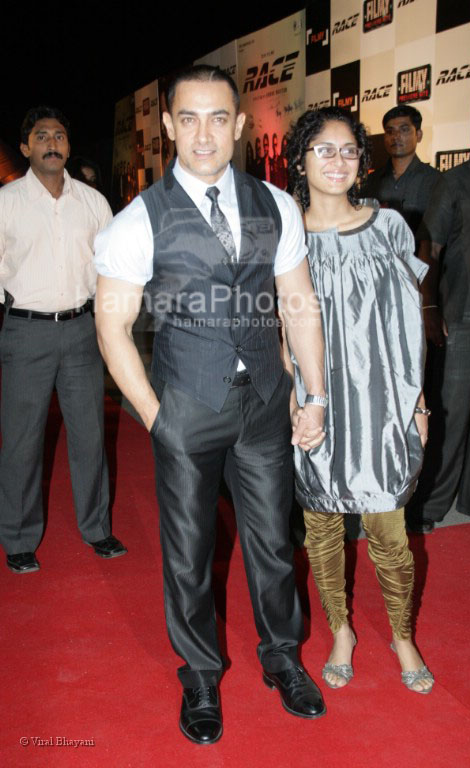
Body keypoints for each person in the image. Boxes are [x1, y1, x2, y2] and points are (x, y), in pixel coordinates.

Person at [93, 65, 328, 746]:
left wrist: (312, 393)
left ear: (240, 124)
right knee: (190, 553)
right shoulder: (139, 219)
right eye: (188, 119)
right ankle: (199, 673)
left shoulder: (275, 205)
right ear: (168, 127)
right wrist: (155, 416)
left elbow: (299, 305)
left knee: (274, 546)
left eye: (218, 117)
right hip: (186, 407)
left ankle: (282, 657)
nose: (204, 133)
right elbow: (112, 327)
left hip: (264, 404)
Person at [284, 106, 434, 695]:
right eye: (324, 149)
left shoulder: (390, 226)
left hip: (381, 402)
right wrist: (297, 399)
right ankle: (340, 630)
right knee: (321, 524)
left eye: (348, 150)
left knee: (388, 527)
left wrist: (418, 405)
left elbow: (409, 325)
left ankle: (402, 635)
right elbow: (278, 325)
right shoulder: (286, 236)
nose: (338, 161)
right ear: (301, 159)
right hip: (316, 399)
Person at [0, 106, 127, 574]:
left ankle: (96, 528)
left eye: (59, 135)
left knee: (90, 435)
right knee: (21, 441)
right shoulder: (6, 202)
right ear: (26, 146)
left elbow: (111, 269)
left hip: (80, 331)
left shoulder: (92, 203)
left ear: (69, 146)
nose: (52, 143)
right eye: (41, 136)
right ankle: (17, 537)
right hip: (25, 332)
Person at [407, 94, 470, 534]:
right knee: (448, 415)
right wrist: (429, 306)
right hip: (462, 317)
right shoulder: (458, 183)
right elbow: (428, 249)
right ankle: (429, 506)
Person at [362, 105, 439, 241]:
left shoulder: (436, 181)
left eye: (404, 130)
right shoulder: (371, 181)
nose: (396, 136)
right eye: (390, 131)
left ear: (419, 135)